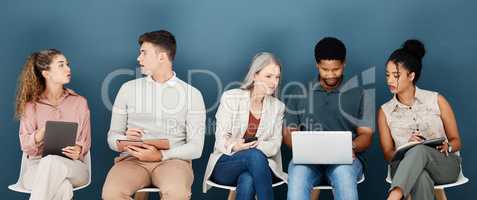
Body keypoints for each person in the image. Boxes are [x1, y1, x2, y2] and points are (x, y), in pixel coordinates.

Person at [102, 30, 206, 200]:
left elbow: (196, 148)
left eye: (144, 53)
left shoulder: (192, 94)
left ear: (162, 57)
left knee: (177, 193)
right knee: (111, 193)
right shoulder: (128, 89)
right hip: (132, 160)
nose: (138, 58)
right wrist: (124, 142)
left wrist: (161, 155)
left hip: (173, 161)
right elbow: (112, 137)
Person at [284, 37, 373, 200]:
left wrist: (350, 147)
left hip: (346, 161)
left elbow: (366, 136)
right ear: (317, 64)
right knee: (297, 176)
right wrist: (303, 147)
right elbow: (288, 135)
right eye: (325, 69)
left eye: (336, 69)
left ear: (344, 63)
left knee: (344, 175)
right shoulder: (299, 92)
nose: (331, 74)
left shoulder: (361, 94)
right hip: (307, 161)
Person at [378, 39, 462, 200]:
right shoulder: (385, 111)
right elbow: (388, 154)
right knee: (420, 176)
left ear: (411, 76)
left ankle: (394, 195)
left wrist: (448, 146)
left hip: (443, 165)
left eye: (396, 75)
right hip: (404, 169)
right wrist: (406, 146)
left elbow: (456, 141)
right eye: (387, 75)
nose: (389, 80)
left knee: (420, 150)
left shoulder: (436, 100)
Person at [203, 52, 287, 200]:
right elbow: (221, 139)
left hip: (259, 167)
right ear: (255, 76)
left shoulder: (277, 107)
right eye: (268, 76)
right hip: (226, 164)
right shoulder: (231, 98)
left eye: (277, 77)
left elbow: (274, 146)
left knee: (248, 179)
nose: (274, 82)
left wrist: (248, 145)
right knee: (254, 156)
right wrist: (235, 146)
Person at [15, 49, 91, 200]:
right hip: (36, 168)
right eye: (61, 65)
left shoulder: (79, 102)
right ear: (46, 73)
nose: (68, 69)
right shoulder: (31, 106)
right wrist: (40, 134)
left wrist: (79, 149)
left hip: (74, 167)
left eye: (68, 65)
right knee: (63, 187)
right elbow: (26, 146)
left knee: (52, 162)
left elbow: (85, 140)